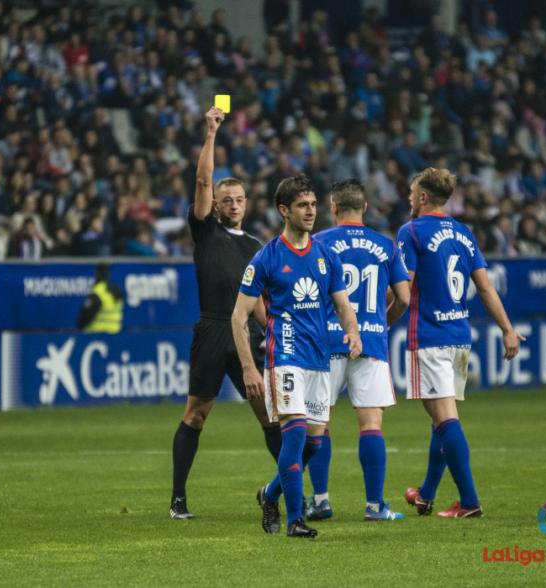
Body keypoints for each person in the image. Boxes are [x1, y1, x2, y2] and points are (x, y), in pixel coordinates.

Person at [231, 174, 361, 538]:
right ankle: (294, 521)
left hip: (319, 358)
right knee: (295, 435)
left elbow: (342, 304)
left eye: (314, 205)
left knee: (313, 445)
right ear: (283, 210)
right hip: (284, 356)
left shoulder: (325, 256)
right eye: (302, 205)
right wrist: (248, 369)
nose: (310, 211)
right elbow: (238, 316)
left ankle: (269, 494)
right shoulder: (267, 257)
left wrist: (352, 330)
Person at [169, 106, 280, 520]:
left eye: (238, 199)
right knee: (197, 414)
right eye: (225, 199)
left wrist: (274, 332)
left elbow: (260, 304)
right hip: (214, 329)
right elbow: (201, 179)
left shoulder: (256, 246)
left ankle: (282, 491)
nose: (232, 204)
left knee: (269, 414)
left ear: (246, 204)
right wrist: (211, 133)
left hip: (247, 337)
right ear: (214, 204)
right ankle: (178, 498)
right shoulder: (206, 230)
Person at [397, 167, 523, 518]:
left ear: (423, 197)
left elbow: (404, 288)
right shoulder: (464, 233)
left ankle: (469, 502)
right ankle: (425, 493)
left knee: (445, 418)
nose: (408, 198)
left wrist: (377, 317)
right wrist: (507, 329)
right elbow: (484, 286)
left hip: (431, 336)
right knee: (439, 418)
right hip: (459, 337)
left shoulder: (411, 232)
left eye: (411, 192)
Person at [305, 179, 410, 522]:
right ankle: (375, 506)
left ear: (332, 207)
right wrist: (382, 323)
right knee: (371, 424)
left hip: (327, 342)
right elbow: (405, 298)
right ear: (365, 208)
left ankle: (321, 500)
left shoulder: (317, 242)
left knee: (319, 422)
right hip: (371, 342)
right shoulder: (386, 245)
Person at [77, 263, 123, 333]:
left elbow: (87, 315)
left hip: (96, 334)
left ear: (97, 273)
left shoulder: (98, 291)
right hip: (114, 334)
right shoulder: (117, 289)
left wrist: (80, 326)